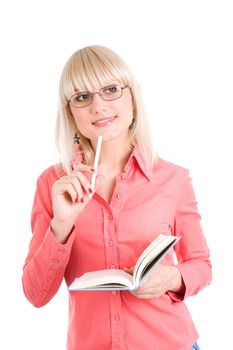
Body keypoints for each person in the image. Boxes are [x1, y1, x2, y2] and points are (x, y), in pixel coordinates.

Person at [22, 45, 211, 350]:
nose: (98, 106)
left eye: (110, 89)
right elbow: (35, 294)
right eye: (82, 97)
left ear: (132, 98)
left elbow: (201, 264)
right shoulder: (53, 185)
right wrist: (61, 226)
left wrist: (172, 277)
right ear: (70, 110)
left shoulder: (173, 180)